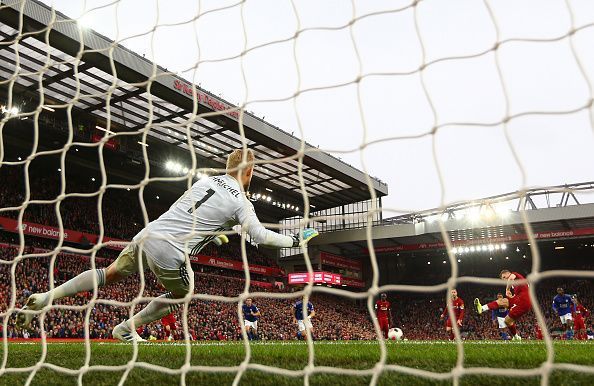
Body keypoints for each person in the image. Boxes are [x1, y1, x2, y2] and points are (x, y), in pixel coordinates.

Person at [16, 149, 319, 342]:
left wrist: (215, 234)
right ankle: (124, 329)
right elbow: (261, 236)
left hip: (150, 233)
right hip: (170, 250)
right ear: (250, 172)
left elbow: (198, 215)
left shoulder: (205, 181)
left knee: (110, 273)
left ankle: (47, 296)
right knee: (184, 293)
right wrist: (296, 240)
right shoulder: (241, 200)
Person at [474, 270, 531, 341]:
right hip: (519, 299)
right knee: (503, 306)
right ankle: (482, 308)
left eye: (504, 277)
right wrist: (513, 296)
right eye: (503, 279)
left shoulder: (514, 274)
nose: (504, 279)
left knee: (507, 320)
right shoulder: (515, 284)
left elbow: (511, 278)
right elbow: (520, 290)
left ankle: (516, 337)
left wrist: (507, 289)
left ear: (508, 273)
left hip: (524, 302)